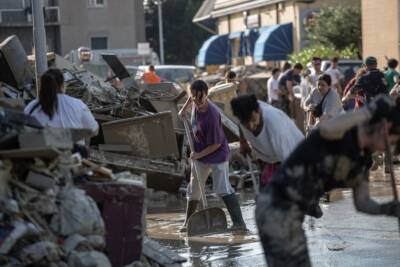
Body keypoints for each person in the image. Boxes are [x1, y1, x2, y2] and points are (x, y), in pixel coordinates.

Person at [255, 95, 400, 267]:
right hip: (275, 205)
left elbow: (363, 202)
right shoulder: (342, 131)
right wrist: (370, 110)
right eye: (392, 142)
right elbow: (325, 129)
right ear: (385, 128)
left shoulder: (362, 161)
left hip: (294, 213)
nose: (388, 149)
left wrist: (389, 208)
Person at [178, 80, 246, 232]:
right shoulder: (195, 100)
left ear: (206, 95)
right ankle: (188, 222)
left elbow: (215, 145)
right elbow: (191, 97)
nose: (197, 101)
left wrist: (197, 155)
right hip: (200, 153)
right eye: (194, 98)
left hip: (217, 155)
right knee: (193, 189)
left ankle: (239, 223)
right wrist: (184, 108)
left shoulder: (212, 115)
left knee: (222, 188)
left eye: (200, 98)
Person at [230, 95, 304, 189]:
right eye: (245, 123)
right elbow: (240, 124)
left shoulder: (275, 125)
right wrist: (243, 141)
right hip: (269, 158)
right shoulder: (242, 113)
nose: (251, 126)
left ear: (258, 111)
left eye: (253, 120)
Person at [24, 68, 99, 146]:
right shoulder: (78, 104)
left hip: (39, 153)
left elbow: (23, 133)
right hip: (71, 155)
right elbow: (94, 131)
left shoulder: (31, 106)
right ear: (62, 85)